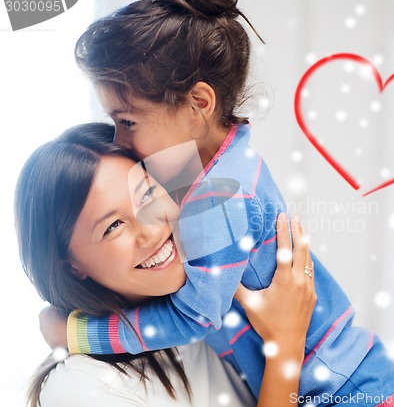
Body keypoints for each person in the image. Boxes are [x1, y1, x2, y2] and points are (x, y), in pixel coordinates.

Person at [40, 0, 394, 405]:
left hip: (346, 391)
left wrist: (77, 332)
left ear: (199, 104)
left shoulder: (220, 196)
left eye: (127, 121)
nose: (119, 139)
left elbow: (193, 316)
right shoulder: (213, 158)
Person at [15, 122, 316, 407]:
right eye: (113, 226)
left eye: (147, 195)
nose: (152, 229)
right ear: (71, 267)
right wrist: (286, 347)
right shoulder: (79, 387)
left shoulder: (205, 290)